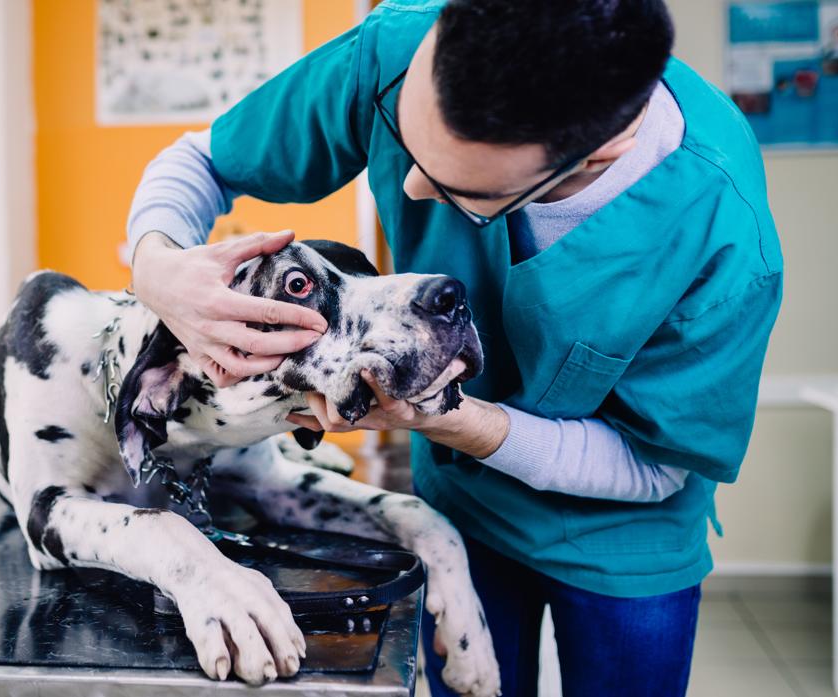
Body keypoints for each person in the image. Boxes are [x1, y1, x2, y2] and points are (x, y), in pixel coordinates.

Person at [126, 0, 783, 694]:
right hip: (457, 506)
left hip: (624, 539)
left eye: (454, 191)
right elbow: (201, 160)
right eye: (406, 142)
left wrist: (456, 422)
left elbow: (653, 468)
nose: (407, 188)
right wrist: (157, 268)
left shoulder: (720, 236)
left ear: (598, 153)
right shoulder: (396, 50)